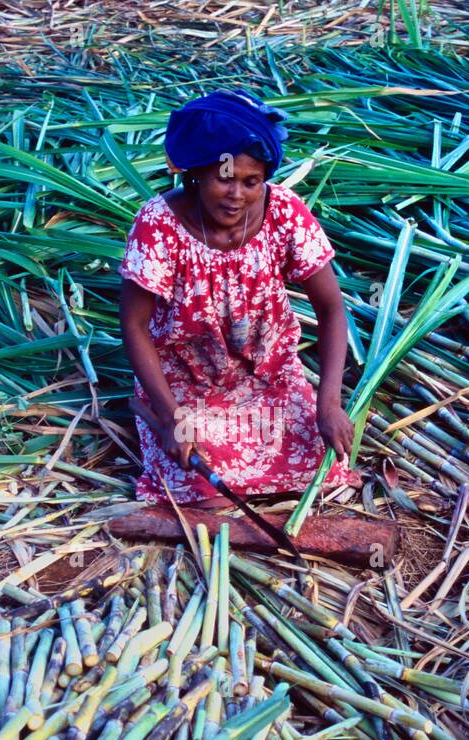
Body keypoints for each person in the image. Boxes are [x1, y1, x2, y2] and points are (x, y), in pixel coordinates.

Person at [118, 89, 360, 509]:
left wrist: (328, 404)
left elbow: (332, 308)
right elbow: (134, 326)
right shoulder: (159, 224)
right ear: (194, 174)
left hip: (268, 378)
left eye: (252, 182)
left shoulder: (284, 212)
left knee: (326, 474)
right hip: (185, 382)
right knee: (204, 489)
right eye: (224, 178)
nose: (237, 195)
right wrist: (170, 415)